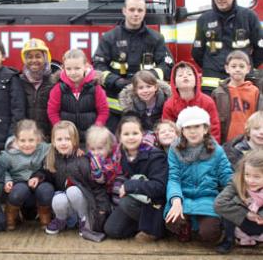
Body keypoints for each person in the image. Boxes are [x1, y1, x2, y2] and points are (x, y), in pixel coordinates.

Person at [93, 0, 174, 129]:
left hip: (148, 108)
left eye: (140, 10)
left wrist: (147, 80)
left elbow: (167, 65)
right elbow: (98, 66)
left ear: (144, 12)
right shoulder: (109, 38)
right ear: (124, 11)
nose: (136, 14)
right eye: (132, 10)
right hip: (116, 109)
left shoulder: (156, 38)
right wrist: (116, 81)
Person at [164, 106, 233, 245]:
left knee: (210, 235)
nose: (193, 131)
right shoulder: (174, 149)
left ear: (205, 129)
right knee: (172, 221)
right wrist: (175, 200)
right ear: (182, 130)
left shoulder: (216, 150)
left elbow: (227, 175)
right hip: (183, 195)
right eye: (188, 127)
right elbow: (174, 178)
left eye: (197, 126)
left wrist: (235, 192)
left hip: (207, 196)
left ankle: (199, 225)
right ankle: (187, 225)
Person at [35, 121, 110, 242]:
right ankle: (61, 219)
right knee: (58, 198)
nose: (63, 143)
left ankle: (83, 220)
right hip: (67, 205)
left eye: (67, 139)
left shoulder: (83, 160)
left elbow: (96, 187)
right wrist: (37, 176)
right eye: (59, 139)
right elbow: (45, 173)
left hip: (83, 203)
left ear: (75, 141)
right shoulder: (51, 158)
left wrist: (102, 209)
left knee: (73, 190)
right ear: (53, 142)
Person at [192, 0, 263, 93]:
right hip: (212, 81)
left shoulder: (249, 17)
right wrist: (211, 65)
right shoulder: (204, 19)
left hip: (241, 79)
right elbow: (197, 51)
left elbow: (260, 48)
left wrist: (245, 66)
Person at [104, 116, 168, 242]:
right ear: (120, 137)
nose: (131, 137)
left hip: (153, 203)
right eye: (126, 134)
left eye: (135, 133)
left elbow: (160, 187)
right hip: (134, 202)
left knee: (126, 202)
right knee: (112, 230)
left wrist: (130, 186)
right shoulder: (118, 155)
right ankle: (143, 226)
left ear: (142, 134)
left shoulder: (155, 155)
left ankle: (156, 226)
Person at [0, 120, 54, 231]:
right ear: (16, 140)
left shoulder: (45, 149)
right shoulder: (8, 154)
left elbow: (59, 148)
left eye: (31, 140)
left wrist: (77, 150)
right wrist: (7, 180)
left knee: (47, 190)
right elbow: (0, 169)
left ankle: (45, 215)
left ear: (37, 139)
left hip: (39, 181)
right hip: (18, 183)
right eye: (22, 141)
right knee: (19, 192)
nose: (27, 144)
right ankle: (11, 215)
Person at [47, 49, 109, 148]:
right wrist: (61, 131)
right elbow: (52, 112)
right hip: (67, 140)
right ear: (63, 68)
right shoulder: (58, 88)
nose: (73, 72)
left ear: (85, 66)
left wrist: (96, 129)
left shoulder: (96, 87)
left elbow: (103, 111)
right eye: (69, 69)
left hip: (90, 140)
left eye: (77, 68)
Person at [214, 150, 263, 253]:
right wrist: (247, 214)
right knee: (229, 205)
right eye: (247, 175)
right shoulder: (236, 182)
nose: (250, 180)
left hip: (260, 224)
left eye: (257, 177)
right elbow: (219, 203)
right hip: (241, 223)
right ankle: (229, 239)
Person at [162, 61, 222, 143]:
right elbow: (168, 129)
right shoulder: (169, 105)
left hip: (205, 146)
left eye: (189, 74)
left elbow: (214, 128)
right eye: (180, 75)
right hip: (180, 147)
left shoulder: (208, 102)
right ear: (174, 83)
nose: (185, 76)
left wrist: (211, 149)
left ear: (196, 80)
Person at [212, 51, 263, 144]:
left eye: (242, 66)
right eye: (233, 66)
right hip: (225, 142)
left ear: (248, 69)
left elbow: (260, 118)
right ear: (227, 68)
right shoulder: (218, 93)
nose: (238, 69)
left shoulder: (255, 91)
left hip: (249, 142)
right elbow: (214, 122)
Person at [20, 38, 57, 140]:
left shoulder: (54, 82)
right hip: (26, 140)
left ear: (45, 58)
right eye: (30, 57)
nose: (34, 60)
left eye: (38, 56)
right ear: (25, 59)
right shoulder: (19, 81)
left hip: (48, 139)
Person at [85, 125, 118, 193]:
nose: (96, 153)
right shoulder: (89, 158)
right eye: (92, 149)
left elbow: (102, 180)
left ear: (109, 147)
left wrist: (97, 169)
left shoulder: (111, 162)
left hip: (109, 189)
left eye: (100, 148)